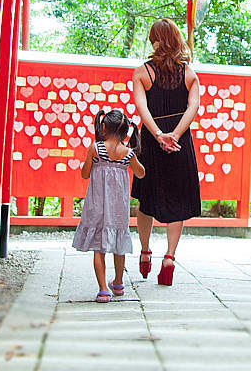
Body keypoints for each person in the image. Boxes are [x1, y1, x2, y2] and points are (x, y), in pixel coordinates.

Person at [131, 18, 202, 286]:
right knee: (178, 199)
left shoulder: (142, 73)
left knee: (146, 197)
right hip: (180, 141)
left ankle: (146, 250)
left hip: (152, 139)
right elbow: (192, 108)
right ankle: (169, 258)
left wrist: (159, 135)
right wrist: (176, 134)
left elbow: (141, 107)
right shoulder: (190, 74)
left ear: (155, 40)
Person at [72, 109, 145, 303]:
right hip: (119, 209)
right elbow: (141, 173)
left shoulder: (96, 148)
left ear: (103, 127)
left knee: (99, 247)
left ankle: (103, 289)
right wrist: (132, 156)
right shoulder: (127, 153)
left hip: (97, 206)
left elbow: (85, 174)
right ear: (125, 132)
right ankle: (119, 283)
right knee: (119, 244)